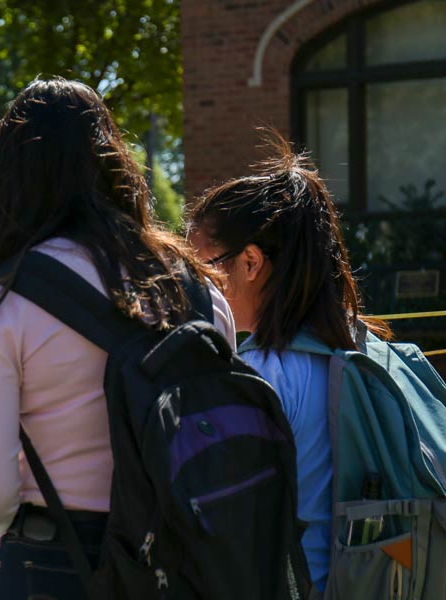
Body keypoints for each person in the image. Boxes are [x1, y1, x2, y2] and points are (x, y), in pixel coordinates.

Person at [0, 77, 236, 600]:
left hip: (56, 566)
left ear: (7, 178)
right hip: (188, 564)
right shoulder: (199, 290)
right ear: (114, 162)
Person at [185, 131, 390, 593]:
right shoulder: (361, 345)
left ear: (251, 262)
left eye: (202, 270)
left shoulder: (259, 375)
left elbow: (222, 523)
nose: (197, 289)